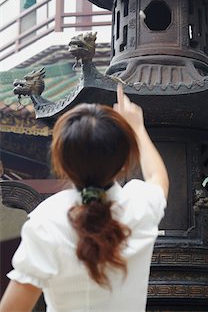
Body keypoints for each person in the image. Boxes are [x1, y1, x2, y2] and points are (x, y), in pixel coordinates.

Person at [0, 85, 169, 312]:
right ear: (123, 164)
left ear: (62, 164)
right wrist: (137, 127)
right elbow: (158, 177)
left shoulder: (45, 222)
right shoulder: (140, 205)